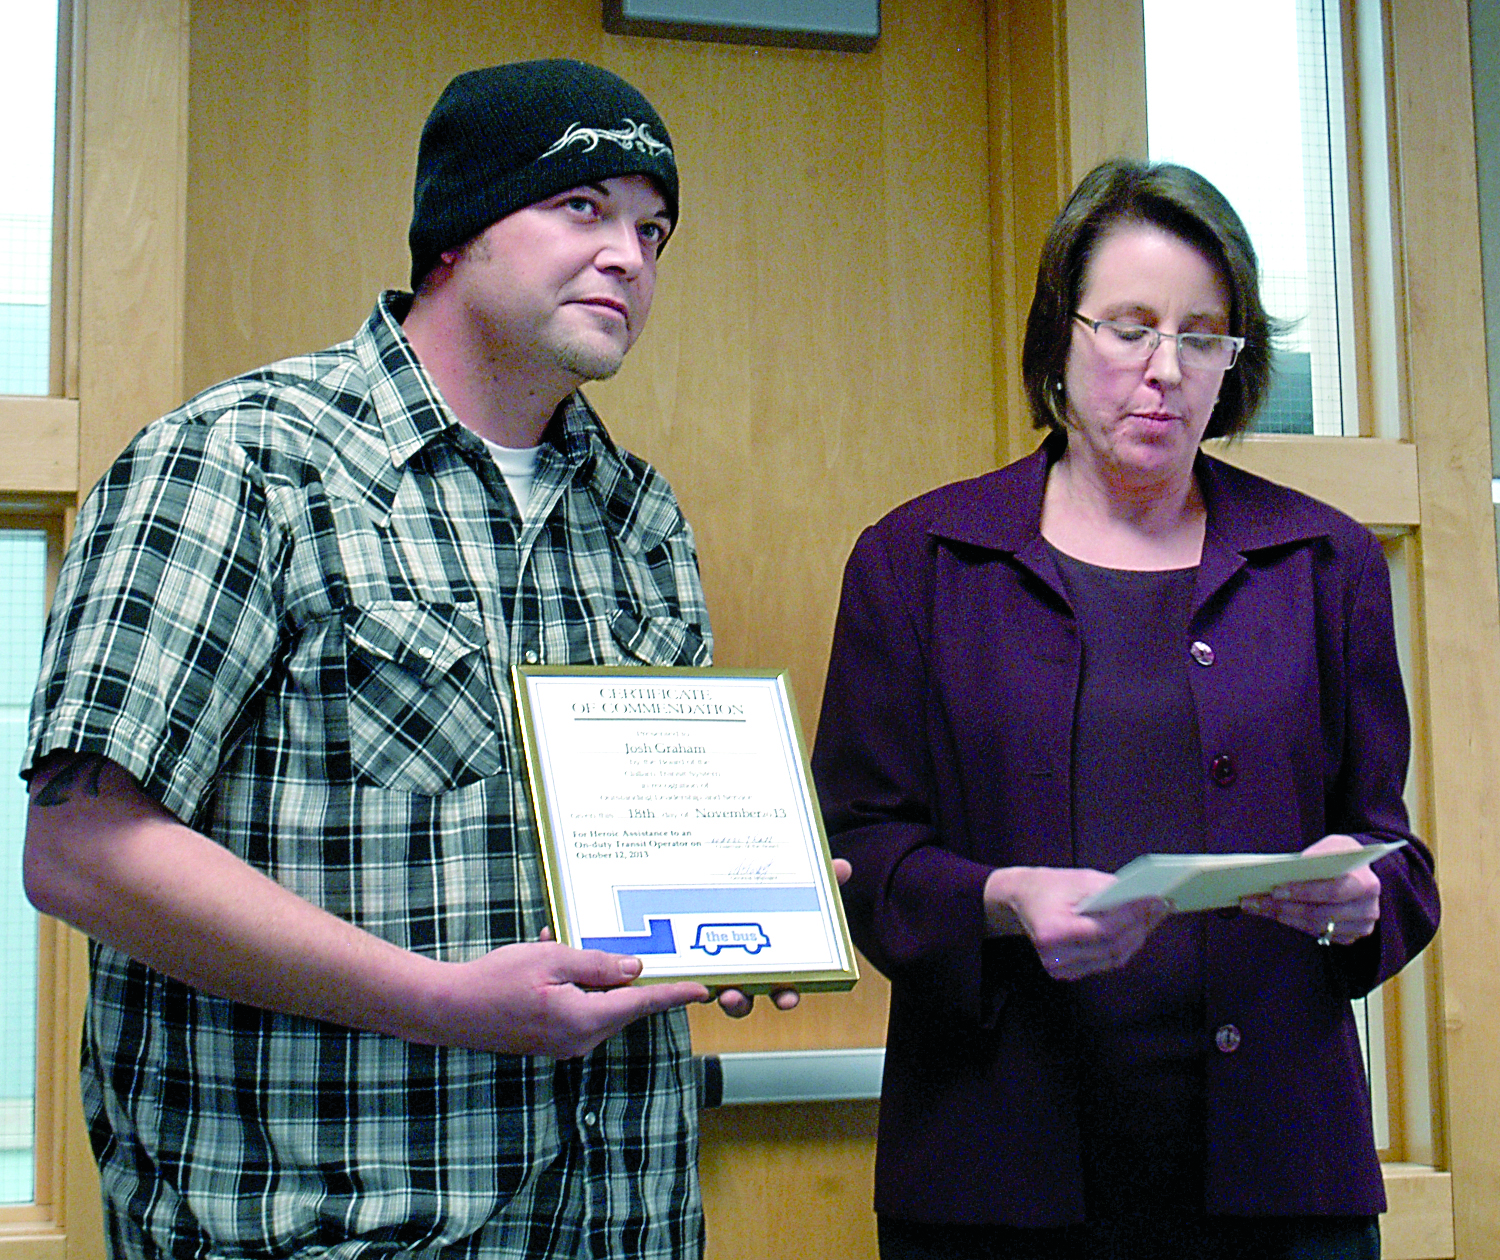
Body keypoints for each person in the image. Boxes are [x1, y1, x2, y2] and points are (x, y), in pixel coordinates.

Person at [22, 59, 795, 1260]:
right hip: (330, 1229)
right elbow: (81, 853)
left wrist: (744, 910)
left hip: (620, 1221)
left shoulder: (639, 515)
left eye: (654, 229)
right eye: (581, 206)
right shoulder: (242, 462)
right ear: (455, 234)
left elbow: (645, 848)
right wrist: (440, 1003)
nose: (629, 257)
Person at [811, 159, 1439, 1260]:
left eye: (1204, 336)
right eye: (1131, 329)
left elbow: (1397, 860)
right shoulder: (919, 560)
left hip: (1279, 1183)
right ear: (1063, 336)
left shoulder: (1323, 561)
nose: (1166, 371)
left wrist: (1360, 891)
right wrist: (1003, 898)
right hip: (994, 1176)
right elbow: (858, 860)